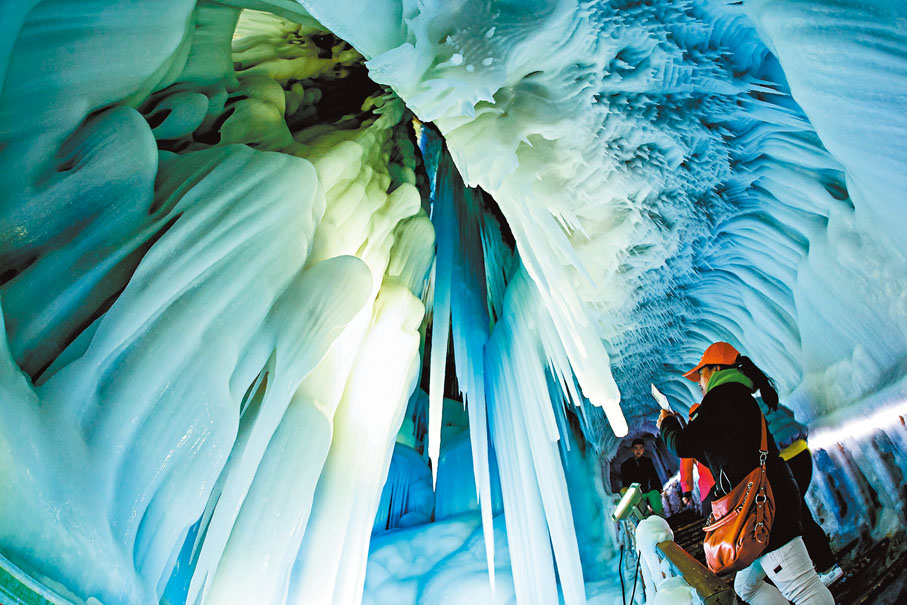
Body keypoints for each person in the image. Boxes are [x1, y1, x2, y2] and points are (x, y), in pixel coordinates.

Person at [658, 342, 833, 605]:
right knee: (746, 588)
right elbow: (712, 455)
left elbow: (683, 445)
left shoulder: (722, 397)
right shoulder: (734, 397)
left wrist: (667, 423)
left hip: (764, 510)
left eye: (700, 375)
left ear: (716, 369)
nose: (699, 384)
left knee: (804, 589)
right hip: (763, 504)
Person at [759, 400, 843, 585]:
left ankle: (827, 567)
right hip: (801, 453)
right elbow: (789, 413)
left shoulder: (737, 411)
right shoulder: (762, 400)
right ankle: (825, 564)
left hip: (783, 460)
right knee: (798, 512)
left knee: (797, 516)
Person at [679, 403, 717, 518]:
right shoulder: (717, 424)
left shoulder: (690, 435)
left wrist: (686, 491)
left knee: (712, 520)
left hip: (709, 486)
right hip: (730, 477)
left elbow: (686, 466)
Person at [620, 438, 664, 516]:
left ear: (643, 449)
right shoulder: (626, 465)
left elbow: (654, 476)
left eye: (640, 448)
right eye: (636, 448)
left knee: (657, 507)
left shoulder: (647, 461)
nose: (638, 451)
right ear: (632, 449)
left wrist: (658, 488)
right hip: (635, 493)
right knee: (643, 513)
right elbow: (625, 483)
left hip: (647, 490)